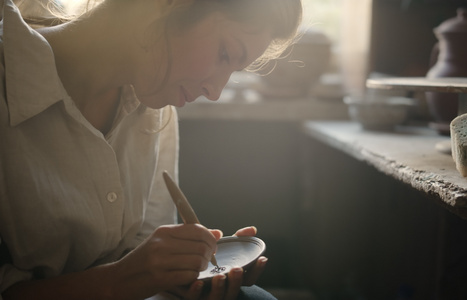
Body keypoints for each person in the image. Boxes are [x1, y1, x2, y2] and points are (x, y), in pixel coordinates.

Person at [0, 0, 302, 299]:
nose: (215, 92)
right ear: (169, 5)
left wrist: (176, 270)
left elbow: (142, 248)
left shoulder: (155, 105)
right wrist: (117, 281)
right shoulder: (8, 83)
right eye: (225, 54)